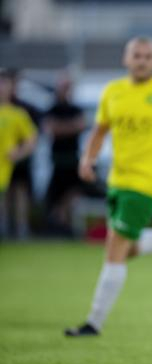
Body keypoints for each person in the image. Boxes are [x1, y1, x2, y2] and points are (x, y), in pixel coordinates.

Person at [64, 36, 152, 337]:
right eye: (136, 55)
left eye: (148, 56)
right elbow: (100, 130)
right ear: (127, 59)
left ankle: (93, 323)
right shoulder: (113, 92)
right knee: (126, 248)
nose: (142, 61)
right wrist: (87, 159)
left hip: (145, 184)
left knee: (114, 249)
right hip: (117, 181)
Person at [44, 75, 88, 235]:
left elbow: (80, 126)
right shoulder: (52, 108)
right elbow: (51, 129)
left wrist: (62, 128)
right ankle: (57, 222)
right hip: (57, 160)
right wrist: (71, 127)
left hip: (72, 157)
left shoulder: (75, 108)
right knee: (56, 193)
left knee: (74, 190)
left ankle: (66, 223)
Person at [4, 68, 41, 239]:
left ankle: (19, 229)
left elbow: (32, 139)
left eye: (5, 83)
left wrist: (17, 154)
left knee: (19, 193)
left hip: (10, 166)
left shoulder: (19, 113)